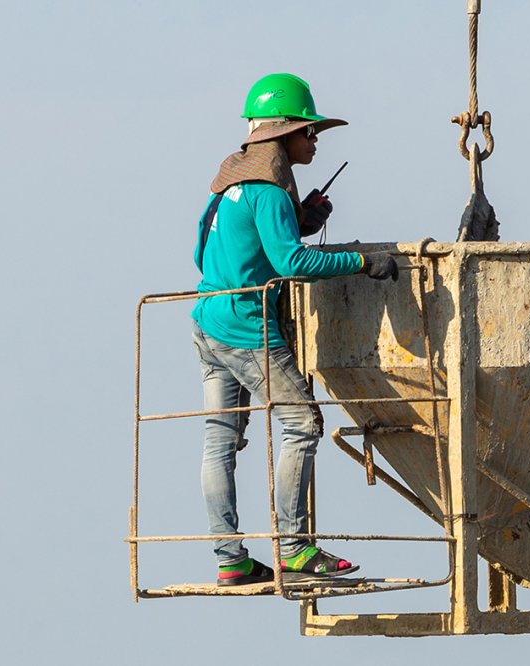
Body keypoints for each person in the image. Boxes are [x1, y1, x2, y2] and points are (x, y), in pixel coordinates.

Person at [191, 73, 397, 586]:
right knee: (303, 423)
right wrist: (361, 263)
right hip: (246, 329)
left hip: (208, 320)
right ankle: (294, 548)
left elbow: (204, 253)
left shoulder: (229, 186)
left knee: (219, 440)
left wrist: (300, 221)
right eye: (308, 131)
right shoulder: (270, 192)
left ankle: (231, 559)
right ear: (283, 134)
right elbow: (290, 262)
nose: (315, 140)